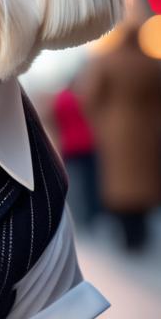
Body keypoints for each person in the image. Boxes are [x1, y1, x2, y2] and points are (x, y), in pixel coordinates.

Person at [82, 24, 161, 251]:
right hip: (148, 130)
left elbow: (90, 97)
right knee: (144, 183)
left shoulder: (107, 61)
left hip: (115, 131)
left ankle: (126, 232)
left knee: (119, 183)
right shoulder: (152, 63)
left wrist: (100, 121)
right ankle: (139, 231)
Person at [52, 82, 100, 232]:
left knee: (74, 183)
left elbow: (55, 120)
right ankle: (91, 216)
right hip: (86, 144)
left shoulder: (60, 99)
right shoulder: (82, 98)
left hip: (70, 146)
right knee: (90, 183)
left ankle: (78, 217)